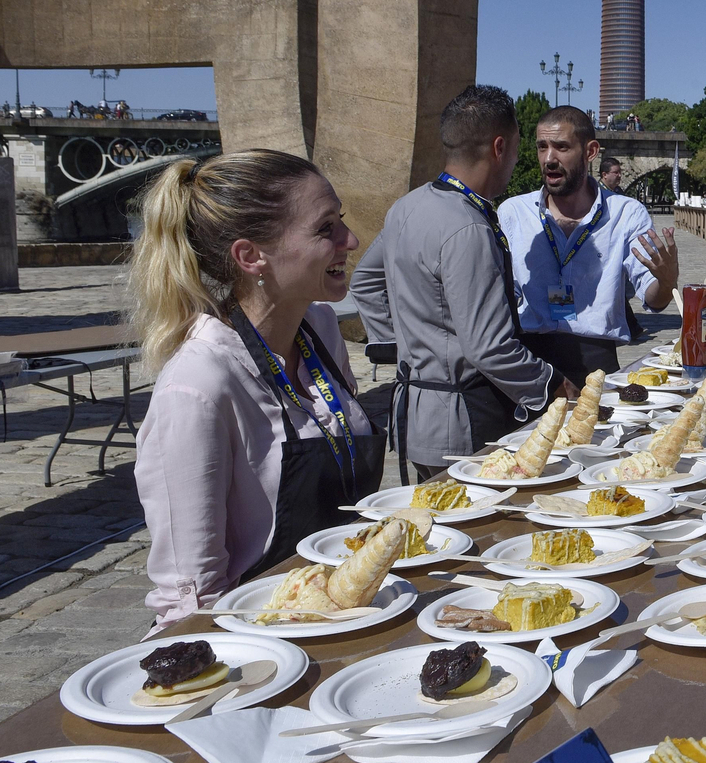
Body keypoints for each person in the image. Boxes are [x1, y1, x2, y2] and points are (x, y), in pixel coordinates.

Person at [132, 151, 384, 626]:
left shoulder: (320, 329)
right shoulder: (197, 387)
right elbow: (192, 596)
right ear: (251, 256)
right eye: (324, 228)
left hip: (344, 615)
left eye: (342, 222)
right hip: (262, 641)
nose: (350, 240)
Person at [353, 85, 574, 482]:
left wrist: (399, 347)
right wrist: (552, 383)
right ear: (500, 147)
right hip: (465, 422)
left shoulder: (407, 206)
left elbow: (365, 281)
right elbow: (488, 346)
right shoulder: (467, 225)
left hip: (417, 413)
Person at [498, 105, 679, 380]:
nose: (549, 158)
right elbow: (500, 300)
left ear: (590, 151)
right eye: (542, 146)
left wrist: (666, 281)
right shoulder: (513, 213)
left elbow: (655, 301)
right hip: (530, 365)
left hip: (597, 366)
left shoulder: (626, 213)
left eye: (561, 147)